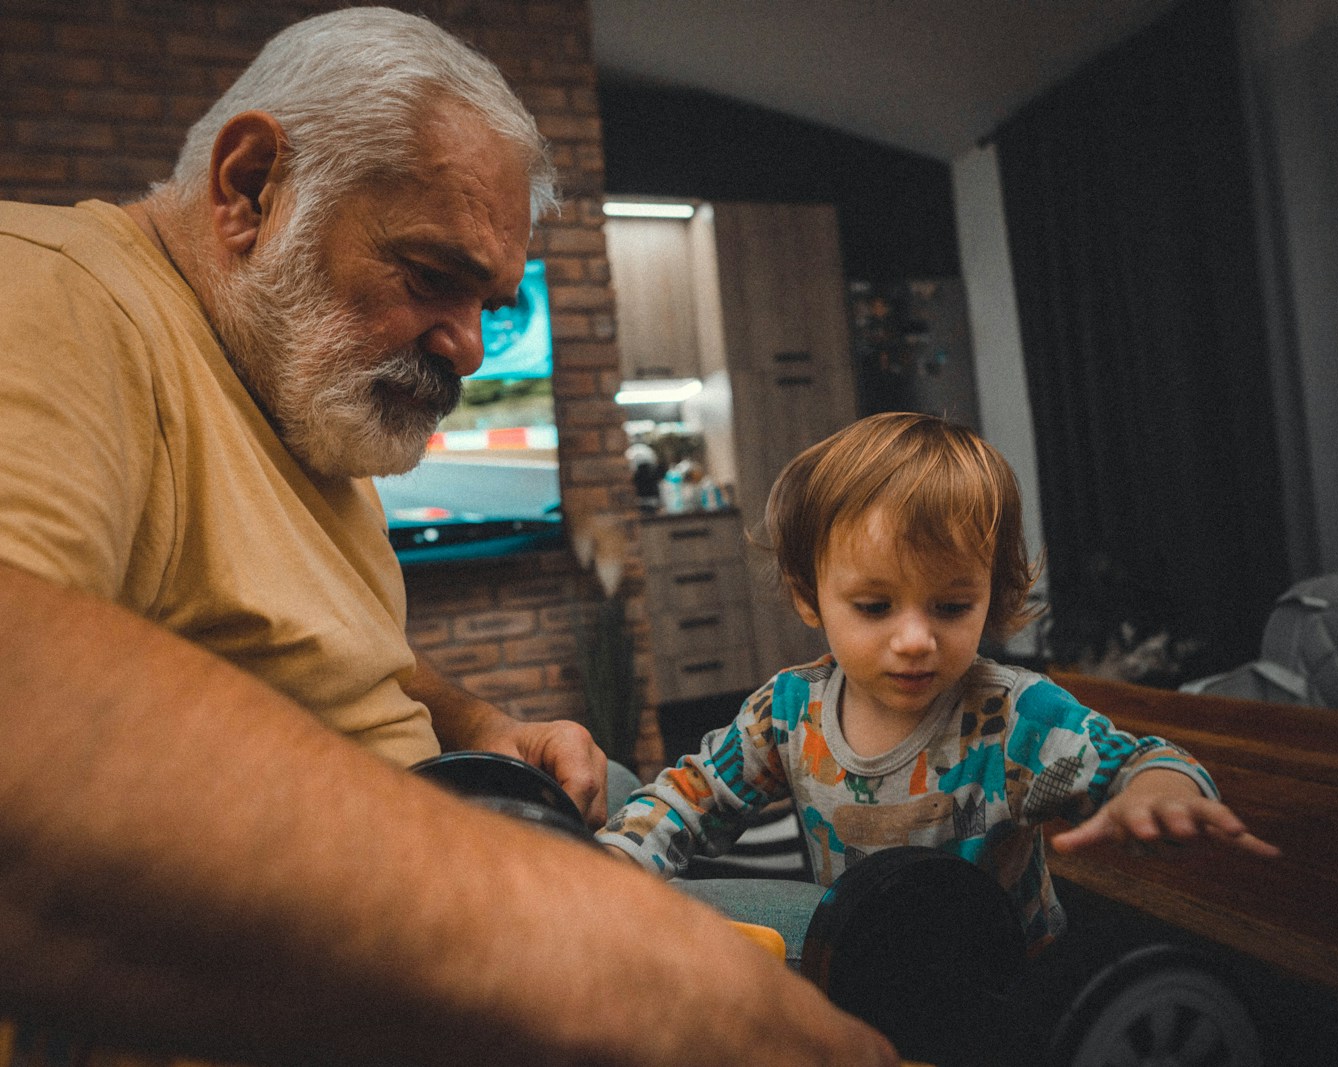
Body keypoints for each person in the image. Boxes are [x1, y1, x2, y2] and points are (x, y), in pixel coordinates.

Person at [0, 8, 897, 1067]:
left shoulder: (295, 386)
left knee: (887, 939)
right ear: (250, 188)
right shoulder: (55, 291)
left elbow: (301, 640)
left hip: (479, 835)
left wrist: (473, 717)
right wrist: (595, 953)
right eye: (431, 275)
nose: (468, 344)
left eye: (489, 302)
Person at [600, 412, 1279, 948]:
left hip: (1008, 977)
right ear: (810, 596)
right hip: (861, 962)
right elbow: (689, 796)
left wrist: (1157, 788)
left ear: (994, 593)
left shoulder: (1015, 718)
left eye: (952, 606)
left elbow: (1138, 759)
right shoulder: (785, 712)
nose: (917, 638)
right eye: (874, 606)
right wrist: (612, 866)